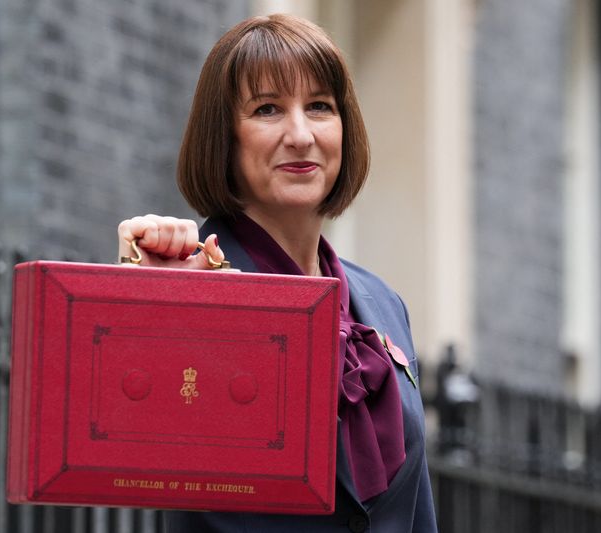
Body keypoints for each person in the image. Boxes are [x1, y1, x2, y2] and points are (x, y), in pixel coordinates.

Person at [117, 14, 437, 533]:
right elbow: (121, 449)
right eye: (267, 109)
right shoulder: (194, 281)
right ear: (225, 137)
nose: (300, 134)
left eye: (319, 107)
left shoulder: (383, 304)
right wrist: (148, 298)